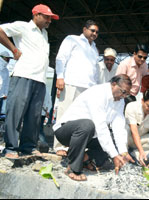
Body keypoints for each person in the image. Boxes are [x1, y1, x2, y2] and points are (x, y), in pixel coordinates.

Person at [0, 4, 59, 159]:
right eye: (47, 17)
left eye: (50, 18)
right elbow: (0, 30)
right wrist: (13, 49)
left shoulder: (44, 33)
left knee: (33, 116)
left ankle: (28, 147)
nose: (49, 21)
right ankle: (10, 148)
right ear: (36, 15)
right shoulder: (23, 27)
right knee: (15, 112)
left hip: (39, 79)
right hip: (23, 75)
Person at [53, 74, 134, 181]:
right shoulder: (98, 93)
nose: (124, 96)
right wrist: (114, 155)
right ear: (113, 84)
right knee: (88, 125)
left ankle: (85, 158)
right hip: (66, 132)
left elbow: (118, 126)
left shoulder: (120, 100)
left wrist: (123, 152)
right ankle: (73, 168)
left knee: (112, 140)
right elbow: (100, 126)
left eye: (127, 94)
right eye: (123, 92)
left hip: (88, 135)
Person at [54, 20, 100, 156]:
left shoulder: (94, 49)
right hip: (71, 83)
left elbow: (95, 71)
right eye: (92, 30)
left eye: (97, 32)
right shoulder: (72, 39)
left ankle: (75, 146)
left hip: (88, 88)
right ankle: (59, 147)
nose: (94, 34)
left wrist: (95, 88)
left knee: (81, 118)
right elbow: (61, 58)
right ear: (84, 29)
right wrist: (60, 77)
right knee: (64, 115)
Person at [125, 89, 149, 167]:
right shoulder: (131, 106)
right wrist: (141, 151)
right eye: (148, 106)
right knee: (124, 134)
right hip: (128, 139)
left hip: (141, 139)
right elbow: (134, 131)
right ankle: (129, 153)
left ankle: (136, 154)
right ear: (142, 101)